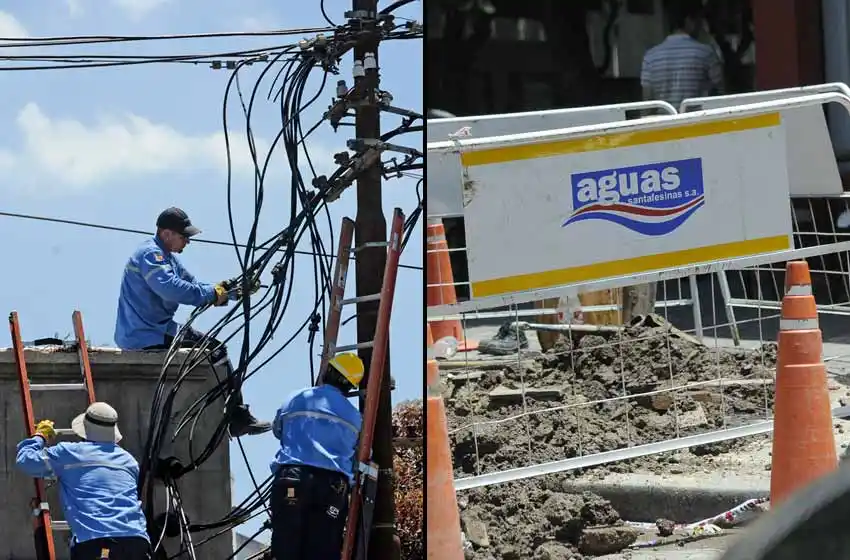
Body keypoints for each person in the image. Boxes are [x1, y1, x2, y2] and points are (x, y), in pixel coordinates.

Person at [114, 207, 270, 437]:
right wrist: (213, 293)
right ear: (166, 233)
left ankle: (232, 413)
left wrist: (233, 290)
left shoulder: (168, 258)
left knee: (214, 350)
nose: (187, 241)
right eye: (183, 236)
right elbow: (172, 289)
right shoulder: (151, 255)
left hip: (156, 329)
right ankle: (236, 416)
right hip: (146, 333)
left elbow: (195, 285)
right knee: (216, 351)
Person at [15, 402, 151, 560]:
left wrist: (40, 437)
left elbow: (26, 460)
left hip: (97, 542)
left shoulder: (69, 454)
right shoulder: (129, 461)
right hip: (138, 541)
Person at [268, 352, 365, 560]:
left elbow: (278, 430)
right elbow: (362, 453)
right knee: (323, 549)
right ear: (350, 386)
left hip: (293, 482)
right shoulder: (355, 417)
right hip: (331, 490)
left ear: (328, 371)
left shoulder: (296, 398)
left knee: (285, 545)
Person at [640, 1, 724, 110]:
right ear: (689, 21)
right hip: (697, 124)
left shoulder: (650, 57)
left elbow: (647, 103)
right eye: (699, 21)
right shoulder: (706, 53)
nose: (700, 26)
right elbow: (722, 95)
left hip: (664, 125)